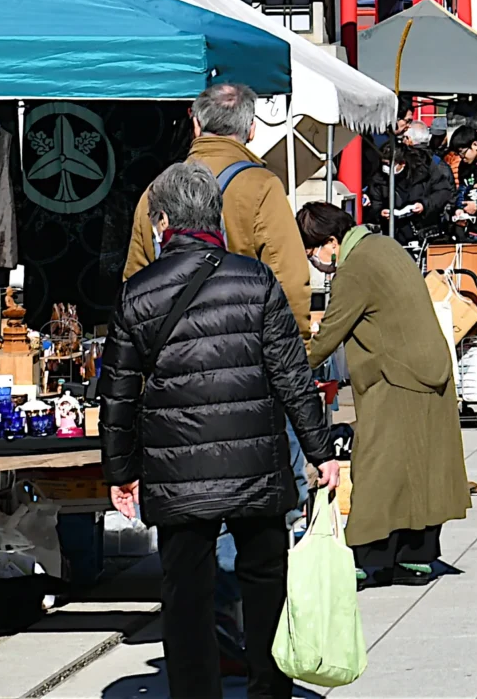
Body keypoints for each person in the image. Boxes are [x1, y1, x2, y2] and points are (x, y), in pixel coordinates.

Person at [104, 162, 340, 699]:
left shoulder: (138, 292)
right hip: (255, 462)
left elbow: (117, 393)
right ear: (215, 217)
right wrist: (319, 450)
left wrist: (120, 470)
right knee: (265, 583)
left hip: (175, 468)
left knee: (186, 593)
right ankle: (268, 689)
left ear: (164, 222)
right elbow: (291, 375)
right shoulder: (256, 280)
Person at [294, 201, 470, 587]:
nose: (315, 261)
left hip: (397, 376)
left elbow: (325, 339)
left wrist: (283, 366)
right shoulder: (384, 245)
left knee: (377, 466)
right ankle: (415, 557)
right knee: (423, 469)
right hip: (427, 368)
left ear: (331, 241)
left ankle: (364, 556)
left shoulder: (355, 269)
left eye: (313, 251)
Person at [126, 83, 314, 340]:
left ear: (196, 126)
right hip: (241, 356)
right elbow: (288, 282)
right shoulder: (262, 188)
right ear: (251, 130)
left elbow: (135, 287)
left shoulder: (154, 192)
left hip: (169, 360)